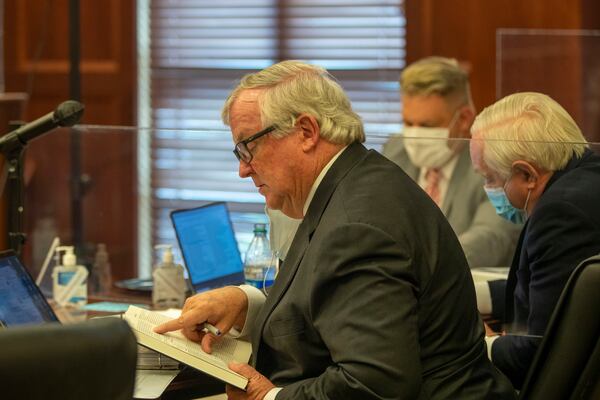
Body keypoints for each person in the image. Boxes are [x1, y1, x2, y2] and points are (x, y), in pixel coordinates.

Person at [156, 60, 515, 399]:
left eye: (248, 147)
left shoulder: (356, 224)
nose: (244, 170)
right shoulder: (356, 181)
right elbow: (330, 303)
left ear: (307, 132)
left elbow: (374, 384)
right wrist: (246, 304)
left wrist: (270, 396)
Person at [470, 91, 600, 389]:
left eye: (489, 178)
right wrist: (469, 292)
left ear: (527, 175)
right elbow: (554, 291)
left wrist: (481, 344)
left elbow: (540, 350)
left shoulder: (561, 213)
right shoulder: (587, 179)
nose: (488, 189)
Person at [382, 56, 521, 268]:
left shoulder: (493, 161)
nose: (414, 135)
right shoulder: (394, 150)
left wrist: (420, 267)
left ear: (464, 119)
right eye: (408, 123)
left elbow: (492, 236)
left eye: (428, 125)